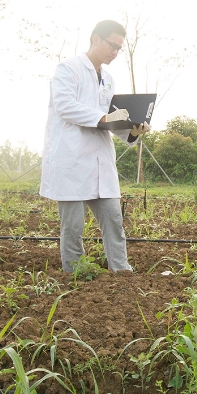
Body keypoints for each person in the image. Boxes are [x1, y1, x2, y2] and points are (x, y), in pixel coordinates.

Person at [40, 19, 150, 273]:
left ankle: (121, 272)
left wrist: (131, 131)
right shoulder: (68, 69)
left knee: (113, 219)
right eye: (112, 45)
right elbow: (65, 106)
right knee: (73, 227)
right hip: (72, 160)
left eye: (119, 48)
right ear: (96, 39)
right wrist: (103, 118)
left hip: (100, 161)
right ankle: (74, 274)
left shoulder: (108, 79)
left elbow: (110, 119)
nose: (115, 52)